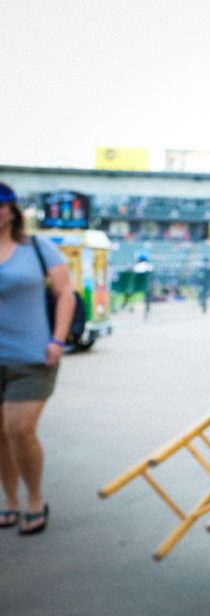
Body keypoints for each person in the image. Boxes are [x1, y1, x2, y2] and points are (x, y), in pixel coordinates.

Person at [0, 181, 76, 535]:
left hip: (32, 356)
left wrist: (58, 339)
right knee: (1, 433)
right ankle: (10, 500)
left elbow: (65, 293)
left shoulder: (37, 248)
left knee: (20, 429)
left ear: (12, 210)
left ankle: (34, 499)